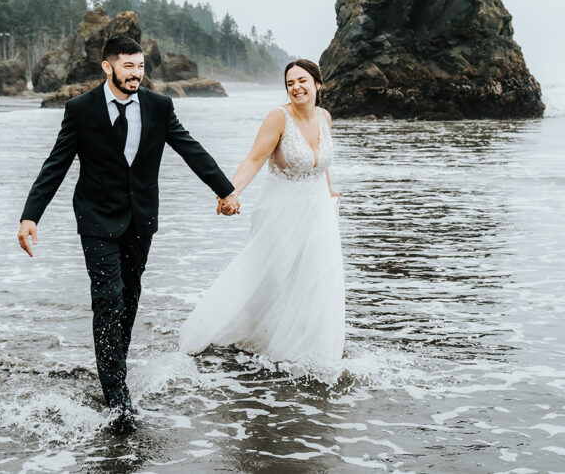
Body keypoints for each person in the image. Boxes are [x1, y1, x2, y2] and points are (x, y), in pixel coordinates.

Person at [17, 35, 239, 432]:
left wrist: (225, 189)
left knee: (130, 297)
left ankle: (112, 366)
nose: (136, 73)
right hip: (96, 219)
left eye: (140, 66)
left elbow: (191, 149)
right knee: (107, 300)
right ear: (108, 67)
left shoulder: (158, 106)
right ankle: (118, 401)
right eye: (128, 66)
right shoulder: (81, 110)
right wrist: (31, 215)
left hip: (140, 219)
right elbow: (57, 163)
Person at [178, 59, 345, 372]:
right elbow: (254, 160)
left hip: (319, 212)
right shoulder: (278, 118)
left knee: (316, 278)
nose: (296, 87)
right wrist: (231, 193)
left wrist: (331, 190)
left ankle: (304, 348)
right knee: (273, 277)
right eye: (290, 83)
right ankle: (255, 338)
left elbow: (320, 163)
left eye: (302, 81)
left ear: (317, 84)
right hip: (281, 212)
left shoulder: (325, 117)